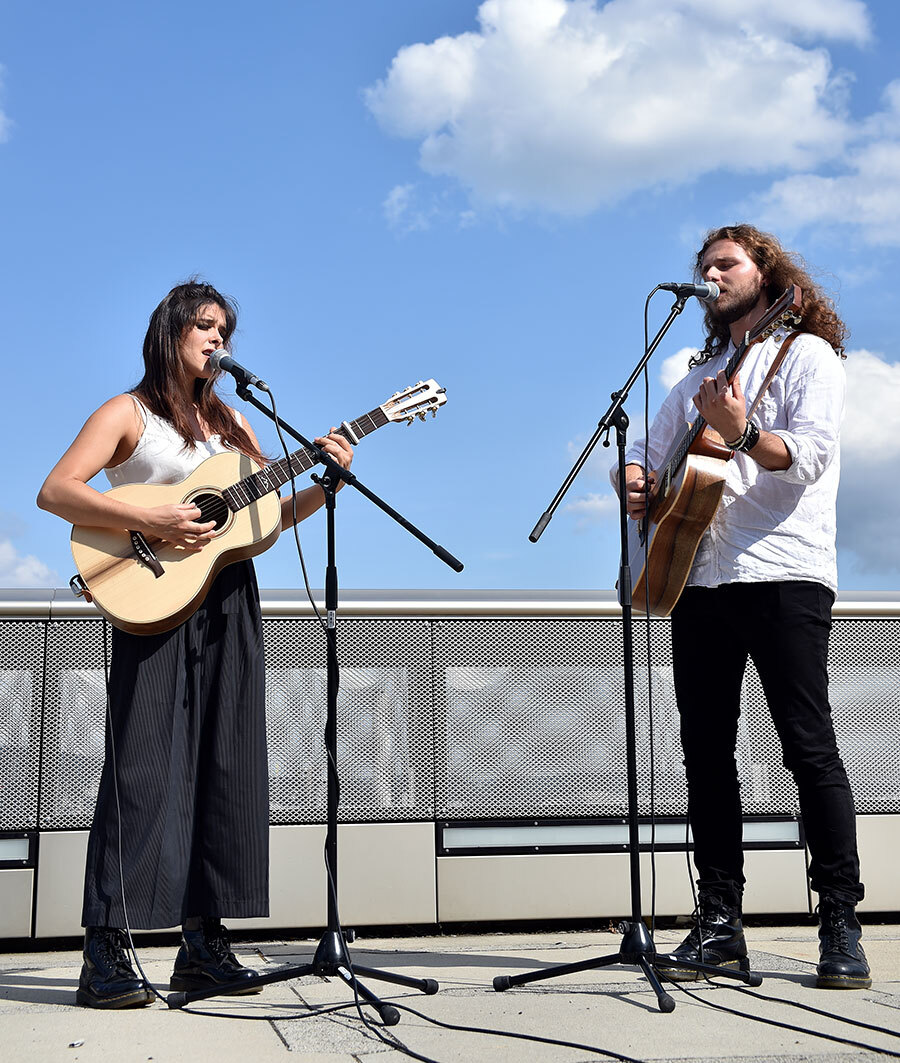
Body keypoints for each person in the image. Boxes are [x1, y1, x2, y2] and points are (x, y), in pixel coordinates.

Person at [37, 280, 354, 1008]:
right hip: (151, 598)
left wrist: (324, 484)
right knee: (143, 770)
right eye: (205, 326)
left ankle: (204, 945)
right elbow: (56, 491)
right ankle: (106, 950)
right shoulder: (129, 413)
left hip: (229, 597)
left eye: (226, 329)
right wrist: (154, 519)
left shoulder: (234, 422)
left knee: (228, 763)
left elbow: (260, 524)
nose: (218, 339)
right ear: (172, 330)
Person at [616, 225, 869, 990]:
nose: (712, 274)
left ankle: (839, 920)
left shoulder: (807, 356)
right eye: (703, 268)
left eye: (726, 263)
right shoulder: (697, 372)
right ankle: (720, 921)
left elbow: (812, 455)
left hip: (782, 570)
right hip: (698, 576)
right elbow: (654, 456)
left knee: (806, 744)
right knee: (705, 754)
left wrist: (746, 432)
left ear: (766, 272)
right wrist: (634, 478)